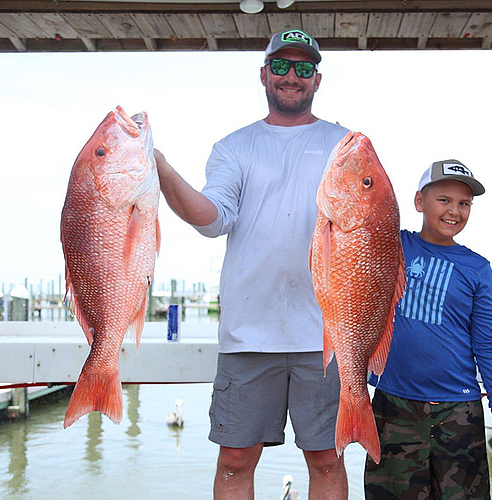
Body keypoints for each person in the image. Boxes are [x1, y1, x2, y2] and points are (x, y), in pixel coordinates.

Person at [154, 29, 350, 500]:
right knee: (235, 459)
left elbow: (370, 231)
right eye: (281, 65)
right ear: (263, 73)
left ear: (317, 81)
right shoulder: (234, 147)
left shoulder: (346, 145)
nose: (291, 76)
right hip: (247, 334)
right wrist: (161, 169)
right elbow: (212, 218)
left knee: (327, 460)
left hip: (327, 336)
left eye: (304, 68)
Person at [364, 160, 492, 500]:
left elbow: (488, 346)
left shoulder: (477, 268)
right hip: (395, 406)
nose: (454, 211)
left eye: (464, 203)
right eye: (444, 200)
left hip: (458, 413)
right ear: (419, 202)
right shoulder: (393, 246)